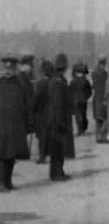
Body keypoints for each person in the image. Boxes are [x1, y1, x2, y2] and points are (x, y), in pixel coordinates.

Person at [0, 55, 30, 191]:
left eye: (10, 68)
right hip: (1, 125)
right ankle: (1, 184)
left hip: (15, 125)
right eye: (5, 68)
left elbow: (26, 103)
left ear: (14, 69)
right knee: (2, 154)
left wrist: (28, 123)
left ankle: (8, 181)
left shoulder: (20, 84)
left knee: (12, 155)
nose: (7, 70)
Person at [47, 53, 71, 181]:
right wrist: (60, 121)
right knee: (57, 149)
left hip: (55, 120)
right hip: (58, 120)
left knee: (58, 148)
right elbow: (58, 104)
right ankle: (56, 173)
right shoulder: (58, 82)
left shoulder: (56, 79)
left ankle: (58, 172)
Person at [32, 60, 54, 164]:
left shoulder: (39, 84)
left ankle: (42, 156)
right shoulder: (54, 82)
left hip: (41, 113)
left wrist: (33, 109)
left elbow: (36, 99)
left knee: (42, 136)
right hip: (52, 112)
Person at [69, 62, 92, 136]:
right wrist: (86, 97)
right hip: (83, 100)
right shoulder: (86, 81)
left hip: (75, 101)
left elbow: (70, 92)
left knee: (77, 116)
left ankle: (80, 130)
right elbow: (89, 91)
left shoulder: (73, 82)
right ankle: (83, 129)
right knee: (83, 114)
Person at [92, 55, 109, 143]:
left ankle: (98, 136)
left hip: (97, 97)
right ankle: (102, 136)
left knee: (99, 119)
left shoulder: (94, 72)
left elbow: (94, 85)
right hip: (103, 97)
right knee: (105, 117)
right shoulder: (104, 73)